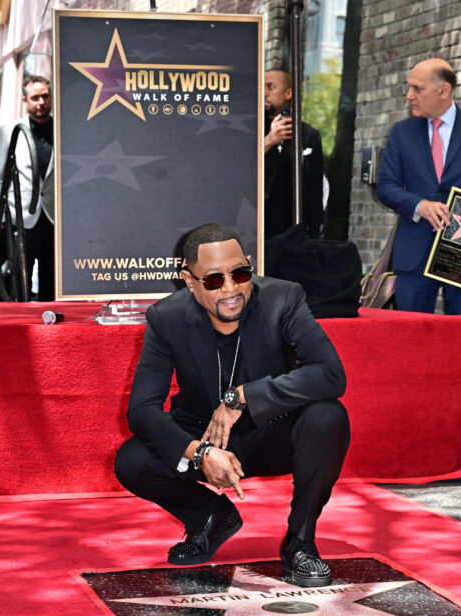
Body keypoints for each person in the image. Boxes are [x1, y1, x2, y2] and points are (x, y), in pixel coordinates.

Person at [114, 223, 349, 587]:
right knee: (132, 460)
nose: (230, 289)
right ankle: (210, 517)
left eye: (240, 274)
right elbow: (142, 410)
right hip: (205, 436)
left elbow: (331, 374)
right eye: (213, 280)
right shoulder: (167, 318)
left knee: (327, 416)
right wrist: (199, 452)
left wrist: (242, 397)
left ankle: (300, 542)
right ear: (188, 280)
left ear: (250, 266)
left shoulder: (282, 299)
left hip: (271, 434)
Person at [376, 58, 461, 319]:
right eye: (409, 88)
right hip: (413, 251)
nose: (409, 95)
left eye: (417, 89)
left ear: (443, 90)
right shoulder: (401, 132)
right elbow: (386, 187)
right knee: (410, 338)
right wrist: (419, 205)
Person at [0, 75, 55, 301]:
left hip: (54, 215)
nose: (41, 102)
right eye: (35, 97)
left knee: (52, 279)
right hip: (21, 213)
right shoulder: (10, 130)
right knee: (20, 278)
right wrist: (0, 215)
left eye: (45, 96)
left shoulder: (62, 126)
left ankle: (52, 328)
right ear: (25, 100)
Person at [263, 69, 325, 240]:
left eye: (270, 87)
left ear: (288, 93)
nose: (264, 93)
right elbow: (240, 164)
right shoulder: (254, 129)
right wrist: (269, 140)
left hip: (294, 227)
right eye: (261, 87)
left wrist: (314, 232)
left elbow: (315, 189)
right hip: (259, 223)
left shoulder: (308, 135)